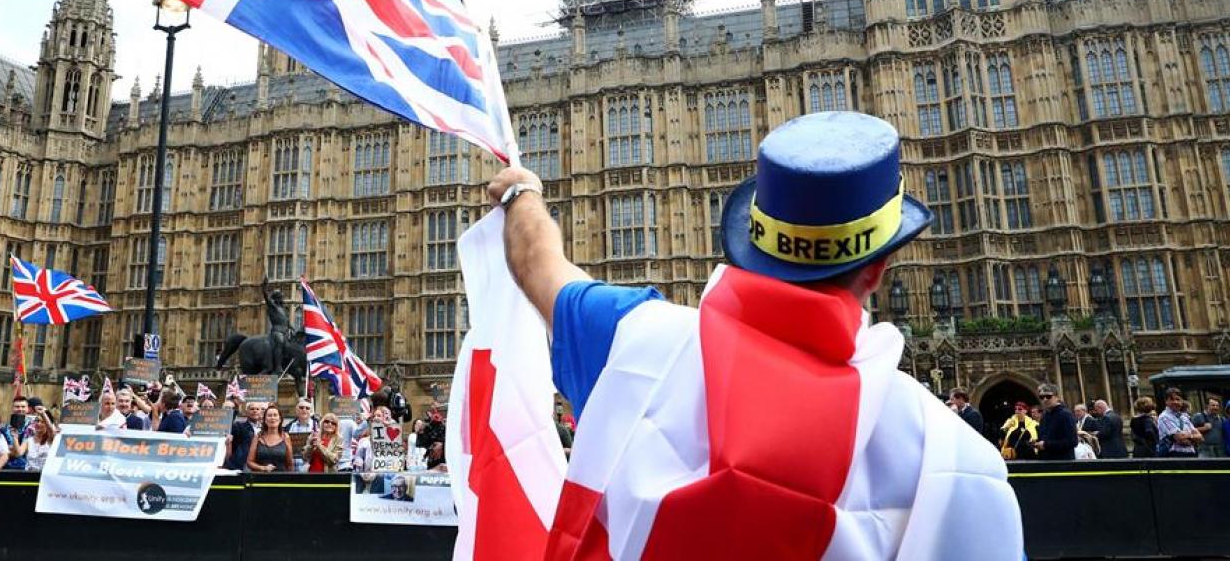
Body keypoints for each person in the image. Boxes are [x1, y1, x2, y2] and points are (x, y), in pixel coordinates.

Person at [486, 111, 1023, 557]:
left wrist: (522, 192)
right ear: (879, 267)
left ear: (752, 237)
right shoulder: (952, 461)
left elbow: (537, 262)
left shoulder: (637, 345)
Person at [1033, 384, 1078, 460]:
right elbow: (1045, 438)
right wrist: (1036, 443)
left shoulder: (1066, 415)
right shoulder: (1045, 416)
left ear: (1057, 397)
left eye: (1048, 396)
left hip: (1062, 462)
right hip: (1045, 461)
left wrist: (1046, 445)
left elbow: (1072, 441)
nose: (1045, 399)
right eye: (1042, 397)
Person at [247, 404, 292, 472]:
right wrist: (263, 468)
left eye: (275, 415)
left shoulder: (286, 437)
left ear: (280, 419)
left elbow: (290, 464)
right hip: (261, 476)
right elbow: (249, 462)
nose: (272, 418)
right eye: (269, 415)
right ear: (265, 420)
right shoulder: (258, 437)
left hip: (281, 476)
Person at [1156, 389, 1200, 458]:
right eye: (1172, 399)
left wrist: (1188, 437)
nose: (1175, 402)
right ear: (1166, 402)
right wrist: (1193, 438)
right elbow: (1180, 438)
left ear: (1182, 401)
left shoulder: (1184, 417)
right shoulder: (1164, 417)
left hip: (1191, 454)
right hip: (1174, 455)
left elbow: (1200, 437)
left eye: (1178, 399)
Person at [227, 400, 264, 471]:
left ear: (261, 412)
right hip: (244, 465)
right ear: (247, 412)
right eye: (252, 409)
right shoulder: (238, 426)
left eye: (257, 409)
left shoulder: (265, 428)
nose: (255, 411)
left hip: (261, 463)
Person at [2, 396, 36, 470]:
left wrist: (9, 450)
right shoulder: (4, 428)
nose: (20, 409)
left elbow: (23, 451)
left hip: (27, 468)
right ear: (12, 408)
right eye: (17, 407)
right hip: (6, 467)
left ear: (27, 408)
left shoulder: (33, 427)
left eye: (23, 407)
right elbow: (0, 450)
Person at [22, 405, 59, 472]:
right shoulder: (29, 440)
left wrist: (43, 414)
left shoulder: (51, 438)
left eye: (42, 422)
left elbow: (51, 430)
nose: (39, 424)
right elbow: (19, 452)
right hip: (29, 475)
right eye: (37, 421)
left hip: (45, 475)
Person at [285, 399, 316, 472]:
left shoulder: (318, 426)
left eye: (307, 408)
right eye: (301, 408)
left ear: (311, 411)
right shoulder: (288, 427)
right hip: (293, 470)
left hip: (312, 470)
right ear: (296, 411)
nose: (304, 410)